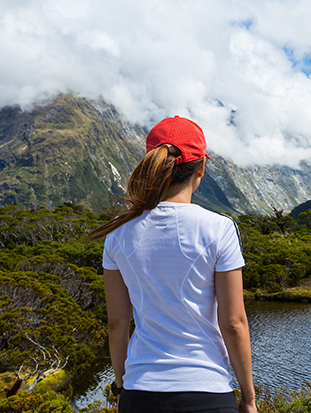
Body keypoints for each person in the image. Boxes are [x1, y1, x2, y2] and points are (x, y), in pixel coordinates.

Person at [89, 116, 257, 413]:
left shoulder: (118, 229)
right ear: (201, 167)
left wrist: (120, 387)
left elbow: (117, 323)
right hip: (207, 393)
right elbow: (233, 323)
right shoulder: (219, 228)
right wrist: (248, 397)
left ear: (152, 163)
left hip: (140, 392)